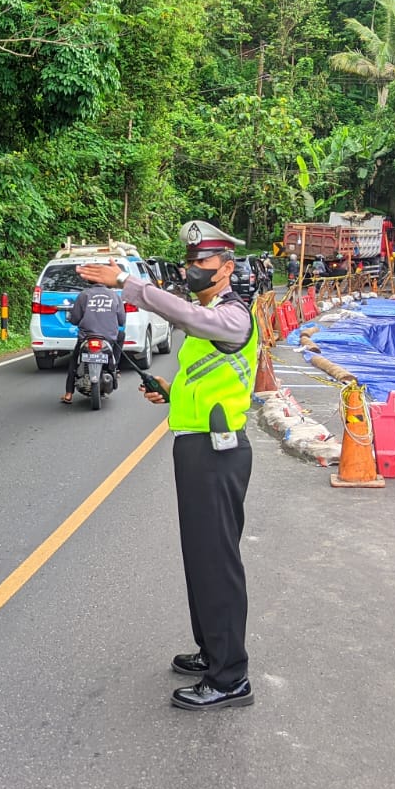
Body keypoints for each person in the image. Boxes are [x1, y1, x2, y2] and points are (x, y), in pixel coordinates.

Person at [77, 220, 259, 711]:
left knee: (216, 563)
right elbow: (208, 379)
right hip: (197, 447)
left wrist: (131, 285)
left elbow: (188, 317)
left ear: (226, 269)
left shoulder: (234, 315)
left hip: (218, 453)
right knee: (199, 558)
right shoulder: (210, 316)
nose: (193, 270)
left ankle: (230, 678)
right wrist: (171, 391)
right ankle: (211, 651)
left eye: (202, 263)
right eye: (191, 263)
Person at [60, 279, 124, 404]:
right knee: (121, 335)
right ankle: (114, 366)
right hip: (108, 337)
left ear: (90, 281)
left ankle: (68, 394)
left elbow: (75, 319)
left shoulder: (84, 295)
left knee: (74, 361)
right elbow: (122, 320)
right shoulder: (115, 296)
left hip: (87, 337)